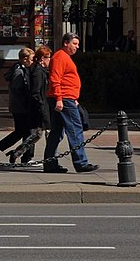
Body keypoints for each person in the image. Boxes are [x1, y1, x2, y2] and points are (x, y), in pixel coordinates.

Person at [43, 32, 98, 174]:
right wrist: (60, 98)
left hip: (66, 98)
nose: (77, 47)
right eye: (74, 44)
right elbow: (55, 78)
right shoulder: (60, 57)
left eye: (78, 44)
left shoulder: (63, 57)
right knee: (75, 129)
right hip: (64, 99)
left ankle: (50, 164)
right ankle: (81, 163)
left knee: (56, 132)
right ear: (65, 43)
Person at [0, 47, 34, 164]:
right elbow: (18, 90)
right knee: (26, 132)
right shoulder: (19, 72)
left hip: (19, 106)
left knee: (24, 131)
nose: (33, 62)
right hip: (21, 107)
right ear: (24, 59)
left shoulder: (22, 70)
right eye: (31, 59)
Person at [8, 44, 52, 165]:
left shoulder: (39, 70)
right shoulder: (37, 71)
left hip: (38, 107)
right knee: (40, 134)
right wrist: (41, 106)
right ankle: (49, 160)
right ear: (42, 58)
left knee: (36, 134)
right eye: (48, 58)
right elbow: (36, 92)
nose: (50, 60)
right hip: (38, 108)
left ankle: (18, 153)